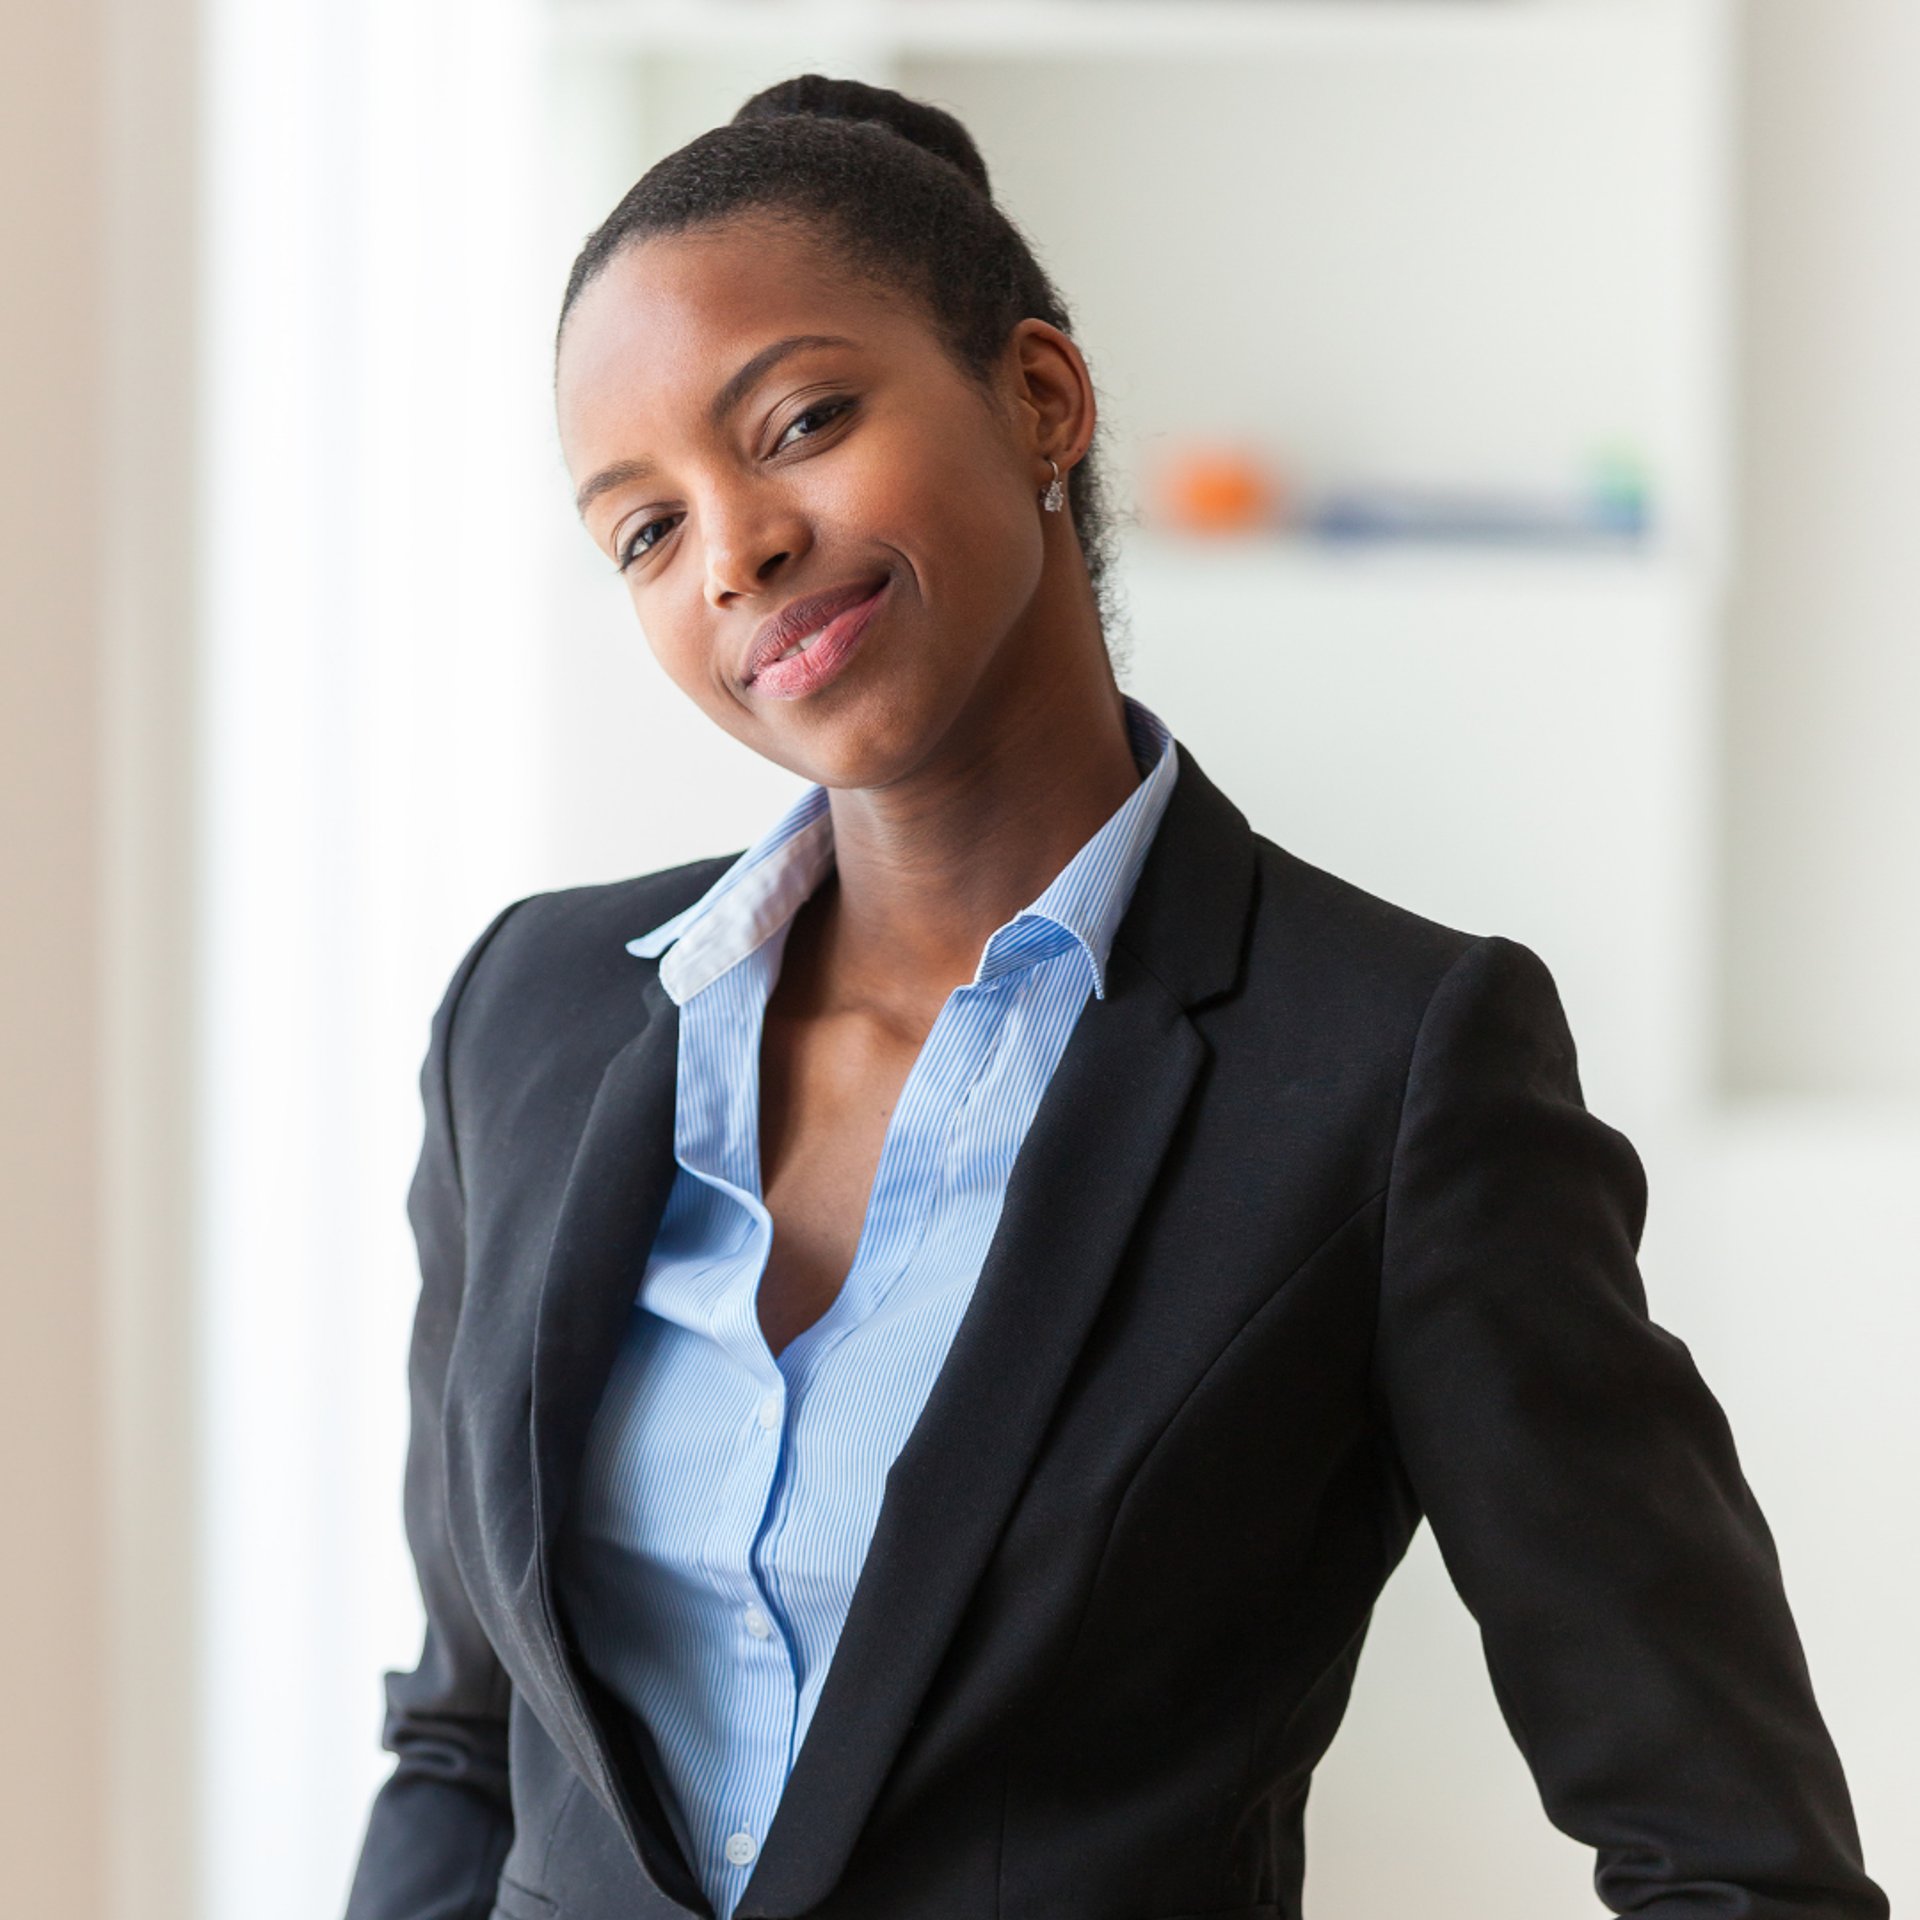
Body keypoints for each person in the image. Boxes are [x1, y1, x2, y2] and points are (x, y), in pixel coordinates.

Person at [342, 73, 1886, 1920]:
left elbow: (1735, 1857)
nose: (732, 547)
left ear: (1041, 399)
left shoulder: (1391, 1070)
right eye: (645, 529)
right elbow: (463, 1738)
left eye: (802, 421)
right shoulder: (531, 1018)